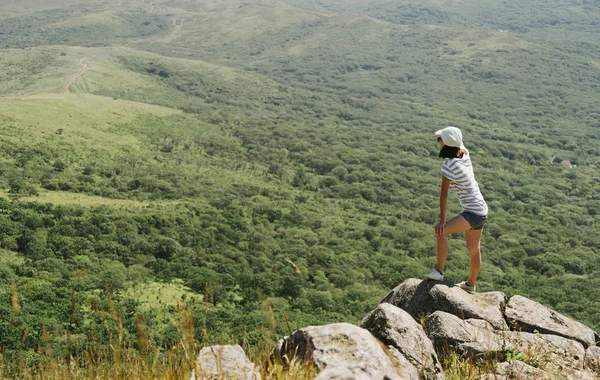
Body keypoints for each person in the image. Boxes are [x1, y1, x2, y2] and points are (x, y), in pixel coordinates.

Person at [425, 126, 488, 293]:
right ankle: (470, 285)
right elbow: (456, 141)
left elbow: (444, 195)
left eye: (440, 141)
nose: (438, 142)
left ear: (444, 145)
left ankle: (438, 272)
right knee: (474, 248)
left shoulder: (449, 167)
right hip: (481, 210)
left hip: (472, 212)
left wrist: (442, 221)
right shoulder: (464, 153)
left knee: (442, 231)